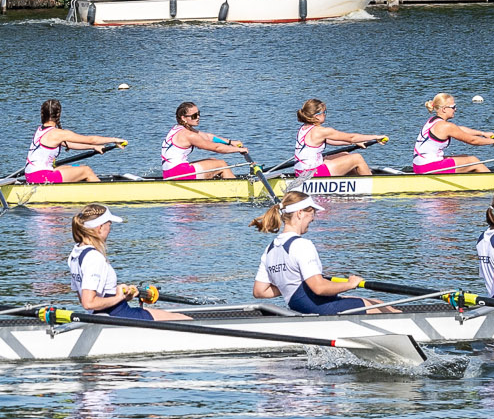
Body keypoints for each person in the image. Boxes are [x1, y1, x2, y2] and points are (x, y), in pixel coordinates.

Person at [252, 194, 384, 314]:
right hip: (319, 308)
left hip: (300, 307)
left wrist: (290, 284)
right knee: (382, 307)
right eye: (312, 212)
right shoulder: (302, 245)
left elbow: (260, 291)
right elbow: (319, 288)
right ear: (300, 213)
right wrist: (351, 284)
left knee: (373, 302)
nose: (313, 218)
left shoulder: (270, 249)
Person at [66, 207, 191, 320]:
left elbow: (87, 296)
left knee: (172, 316)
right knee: (185, 319)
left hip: (107, 314)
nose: (110, 229)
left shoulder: (75, 254)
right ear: (99, 228)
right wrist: (118, 298)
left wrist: (120, 293)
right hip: (118, 315)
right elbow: (88, 303)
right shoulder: (94, 257)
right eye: (109, 225)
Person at [24, 99, 125, 185]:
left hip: (31, 175)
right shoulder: (58, 133)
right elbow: (91, 139)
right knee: (86, 170)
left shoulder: (40, 130)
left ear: (43, 114)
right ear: (58, 114)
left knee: (67, 167)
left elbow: (70, 145)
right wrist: (114, 140)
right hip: (41, 177)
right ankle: (105, 193)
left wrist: (93, 147)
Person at [412, 92, 494, 174]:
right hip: (427, 168)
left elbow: (460, 129)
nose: (455, 109)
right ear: (444, 109)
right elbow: (472, 140)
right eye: (453, 107)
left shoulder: (432, 121)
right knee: (474, 161)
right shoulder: (446, 126)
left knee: (464, 157)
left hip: (419, 166)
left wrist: (483, 133)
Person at [294, 98, 384, 179]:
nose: (325, 115)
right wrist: (376, 137)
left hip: (300, 172)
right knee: (357, 158)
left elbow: (329, 141)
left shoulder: (303, 128)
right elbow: (352, 137)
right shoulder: (321, 131)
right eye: (324, 112)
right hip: (313, 173)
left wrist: (353, 143)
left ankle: (353, 182)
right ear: (316, 116)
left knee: (345, 154)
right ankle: (370, 184)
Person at [161, 101, 248, 180]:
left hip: (169, 172)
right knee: (222, 164)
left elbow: (207, 136)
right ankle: (236, 190)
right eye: (194, 116)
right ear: (183, 118)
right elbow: (216, 148)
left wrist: (230, 142)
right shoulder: (189, 135)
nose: (198, 117)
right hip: (178, 174)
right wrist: (239, 149)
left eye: (198, 114)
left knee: (213, 160)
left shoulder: (178, 128)